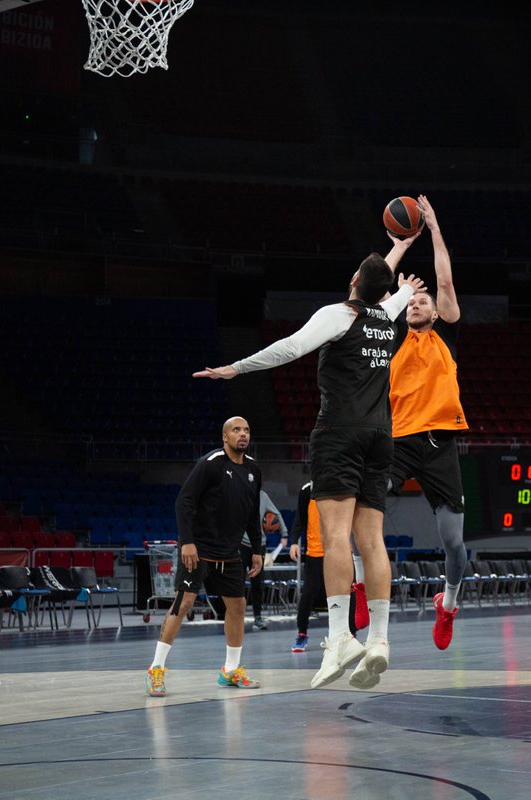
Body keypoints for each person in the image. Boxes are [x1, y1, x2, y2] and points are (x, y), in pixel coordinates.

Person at [195, 240, 426, 690]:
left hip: (340, 434)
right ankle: (379, 639)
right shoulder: (388, 315)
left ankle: (340, 637)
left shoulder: (339, 314)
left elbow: (288, 348)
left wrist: (235, 369)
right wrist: (400, 246)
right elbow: (383, 283)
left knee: (337, 536)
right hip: (382, 437)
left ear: (355, 282)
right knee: (371, 541)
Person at [386, 195, 469, 650]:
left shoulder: (446, 335)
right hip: (397, 440)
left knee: (454, 543)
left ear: (436, 311)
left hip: (440, 443)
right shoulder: (392, 334)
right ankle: (362, 587)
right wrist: (400, 243)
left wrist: (434, 229)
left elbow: (444, 279)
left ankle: (449, 603)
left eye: (423, 300)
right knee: (364, 510)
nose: (417, 303)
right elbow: (367, 289)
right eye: (411, 299)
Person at [145, 416, 265, 696]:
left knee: (237, 607)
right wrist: (187, 542)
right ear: (225, 437)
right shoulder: (210, 464)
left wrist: (257, 549)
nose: (242, 434)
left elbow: (252, 512)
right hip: (198, 551)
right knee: (183, 603)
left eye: (246, 429)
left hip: (231, 553)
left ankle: (230, 671)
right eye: (236, 430)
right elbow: (184, 501)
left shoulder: (253, 470)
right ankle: (156, 668)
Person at [288, 480, 358, 652]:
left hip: (342, 551)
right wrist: (294, 542)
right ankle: (302, 633)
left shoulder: (344, 485)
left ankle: (352, 635)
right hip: (315, 552)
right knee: (309, 592)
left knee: (350, 591)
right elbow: (300, 519)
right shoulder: (307, 490)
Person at [244, 489, 286, 631]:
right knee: (235, 582)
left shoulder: (262, 495)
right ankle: (233, 616)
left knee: (257, 583)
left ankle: (257, 617)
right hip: (240, 543)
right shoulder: (237, 491)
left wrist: (284, 534)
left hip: (259, 544)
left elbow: (277, 514)